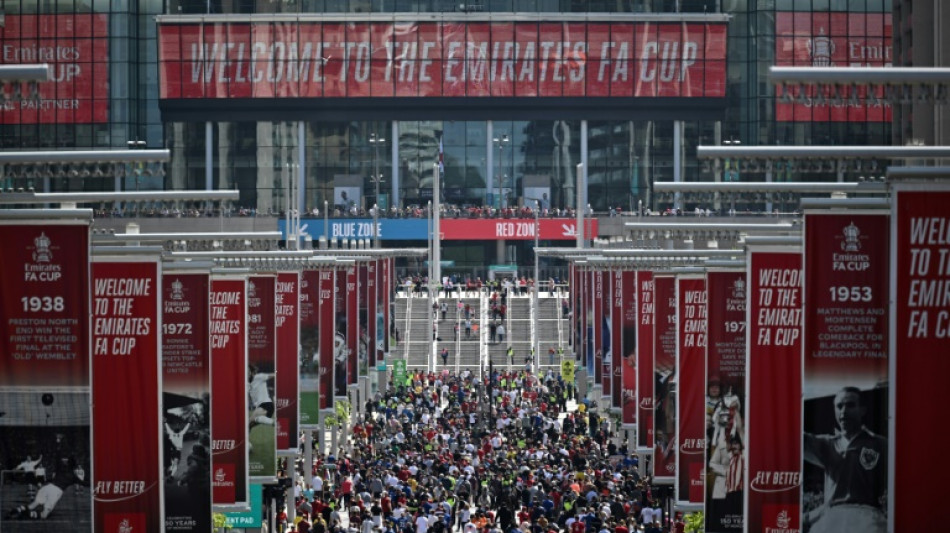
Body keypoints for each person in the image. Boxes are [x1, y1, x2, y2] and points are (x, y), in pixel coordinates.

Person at [803, 387, 886, 533]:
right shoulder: (827, 444)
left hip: (868, 516)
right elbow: (792, 436)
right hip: (833, 516)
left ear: (863, 410)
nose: (844, 411)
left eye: (850, 405)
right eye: (839, 406)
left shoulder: (880, 444)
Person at [248, 363, 275, 429]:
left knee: (248, 422)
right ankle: (246, 439)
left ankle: (275, 423)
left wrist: (278, 371)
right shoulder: (247, 384)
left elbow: (274, 375)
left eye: (248, 371)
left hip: (266, 405)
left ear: (252, 372)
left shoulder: (258, 377)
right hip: (260, 407)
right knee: (248, 426)